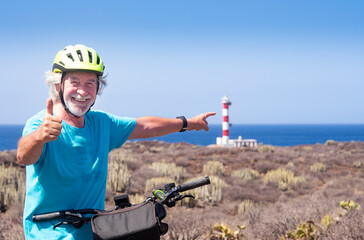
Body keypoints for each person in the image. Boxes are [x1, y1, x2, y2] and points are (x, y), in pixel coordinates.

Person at [17, 44, 216, 240]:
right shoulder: (40, 123)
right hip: (49, 233)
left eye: (90, 83)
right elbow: (24, 156)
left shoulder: (101, 123)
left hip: (95, 232)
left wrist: (187, 123)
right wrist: (38, 137)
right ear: (58, 86)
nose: (83, 91)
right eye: (74, 82)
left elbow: (145, 126)